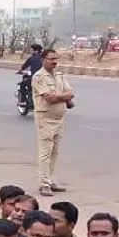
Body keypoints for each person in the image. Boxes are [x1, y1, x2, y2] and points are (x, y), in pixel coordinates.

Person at [31, 48, 74, 196]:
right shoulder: (39, 77)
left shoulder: (59, 75)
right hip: (45, 119)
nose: (55, 61)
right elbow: (49, 98)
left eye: (56, 59)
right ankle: (44, 184)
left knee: (55, 152)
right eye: (51, 59)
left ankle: (50, 180)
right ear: (43, 60)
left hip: (59, 119)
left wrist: (59, 95)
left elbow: (71, 93)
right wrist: (63, 96)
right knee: (46, 152)